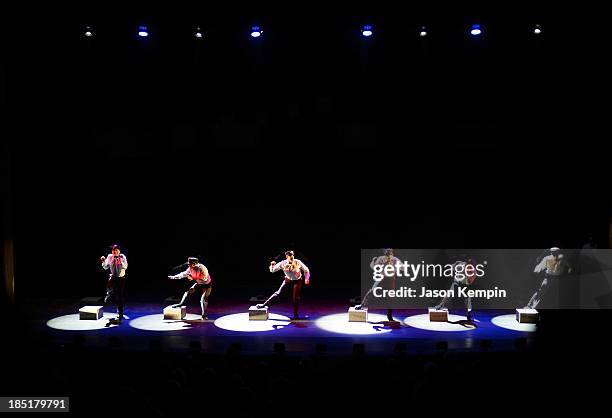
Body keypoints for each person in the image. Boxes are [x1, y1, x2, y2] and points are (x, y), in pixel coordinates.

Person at [257, 250, 310, 320]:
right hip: (288, 280)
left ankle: (295, 315)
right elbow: (273, 270)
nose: (291, 257)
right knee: (278, 293)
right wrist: (272, 265)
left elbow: (306, 270)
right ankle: (264, 305)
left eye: (292, 256)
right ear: (286, 257)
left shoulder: (297, 262)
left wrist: (307, 278)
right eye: (290, 256)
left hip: (297, 281)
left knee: (295, 298)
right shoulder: (283, 263)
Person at [355, 248, 400, 321]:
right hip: (381, 279)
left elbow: (402, 267)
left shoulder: (395, 259)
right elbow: (373, 267)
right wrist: (373, 261)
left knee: (390, 297)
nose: (389, 253)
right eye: (387, 251)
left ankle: (389, 315)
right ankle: (362, 305)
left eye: (390, 251)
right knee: (372, 291)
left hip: (390, 280)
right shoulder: (381, 258)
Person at [433, 256, 477, 322]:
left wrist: (468, 276)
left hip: (465, 285)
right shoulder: (460, 264)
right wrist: (452, 272)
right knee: (449, 294)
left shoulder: (473, 272)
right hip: (456, 282)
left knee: (468, 299)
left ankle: (469, 314)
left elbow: (470, 282)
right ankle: (440, 306)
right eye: (468, 265)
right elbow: (452, 266)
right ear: (466, 264)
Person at [100, 244, 128, 323]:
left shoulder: (122, 256)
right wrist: (103, 261)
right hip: (113, 277)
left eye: (116, 250)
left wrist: (120, 261)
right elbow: (105, 267)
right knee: (110, 285)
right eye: (113, 250)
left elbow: (125, 267)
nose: (115, 252)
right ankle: (109, 294)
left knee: (119, 296)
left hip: (121, 278)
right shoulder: (109, 256)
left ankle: (120, 312)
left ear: (119, 251)